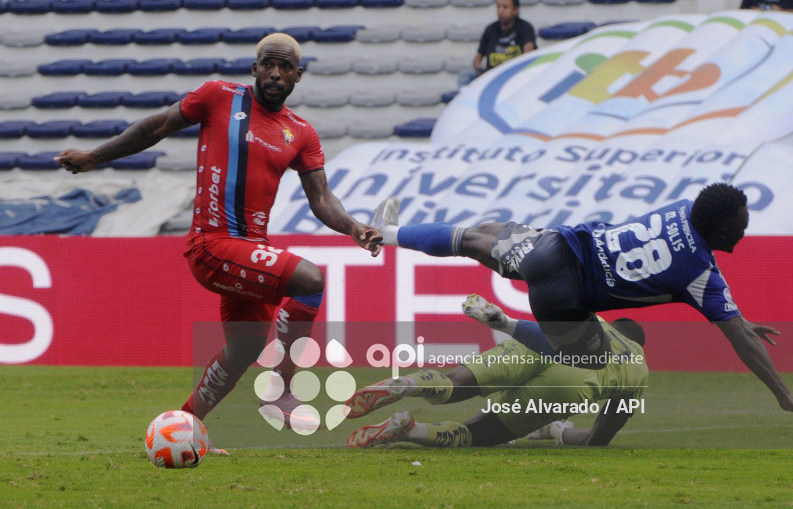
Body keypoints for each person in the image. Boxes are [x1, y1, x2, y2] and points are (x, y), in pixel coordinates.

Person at [55, 33, 383, 447]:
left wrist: (354, 227)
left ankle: (185, 426)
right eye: (268, 64)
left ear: (298, 76)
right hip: (211, 244)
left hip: (250, 253)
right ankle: (282, 389)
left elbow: (321, 198)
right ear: (254, 67)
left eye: (285, 67)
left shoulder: (300, 132)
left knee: (244, 348)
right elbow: (155, 126)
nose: (275, 73)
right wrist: (92, 158)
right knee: (311, 280)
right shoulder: (217, 97)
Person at [367, 185, 793, 412]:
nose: (744, 231)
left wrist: (738, 319)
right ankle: (504, 325)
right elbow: (741, 342)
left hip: (554, 245)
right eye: (739, 226)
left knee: (474, 236)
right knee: (594, 361)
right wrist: (783, 395)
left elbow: (721, 302)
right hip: (563, 295)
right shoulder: (702, 275)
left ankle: (385, 234)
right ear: (718, 231)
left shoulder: (684, 207)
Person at [345, 294, 648, 448]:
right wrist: (560, 429)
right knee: (475, 434)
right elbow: (597, 438)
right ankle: (409, 429)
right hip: (568, 384)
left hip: (539, 344)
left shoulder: (599, 325)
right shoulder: (640, 369)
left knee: (454, 382)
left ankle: (408, 384)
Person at [459, 0, 537, 87]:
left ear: (515, 10)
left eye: (505, 7)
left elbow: (528, 54)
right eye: (498, 7)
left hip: (515, 75)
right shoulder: (490, 29)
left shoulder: (525, 27)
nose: (500, 10)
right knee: (465, 74)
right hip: (492, 75)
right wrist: (479, 68)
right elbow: (477, 60)